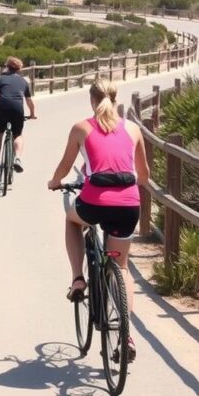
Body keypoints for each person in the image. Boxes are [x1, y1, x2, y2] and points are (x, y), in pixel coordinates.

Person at [46, 78, 149, 361]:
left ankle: (78, 279)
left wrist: (55, 182)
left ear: (92, 100)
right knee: (122, 266)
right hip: (128, 206)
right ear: (116, 99)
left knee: (72, 219)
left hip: (93, 203)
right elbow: (144, 176)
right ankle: (126, 333)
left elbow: (65, 168)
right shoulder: (132, 129)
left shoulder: (81, 128)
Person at [0, 56, 36, 173]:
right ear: (19, 69)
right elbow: (29, 101)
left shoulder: (0, 79)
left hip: (1, 108)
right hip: (17, 109)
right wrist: (32, 114)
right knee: (17, 135)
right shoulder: (23, 81)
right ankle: (17, 158)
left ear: (7, 67)